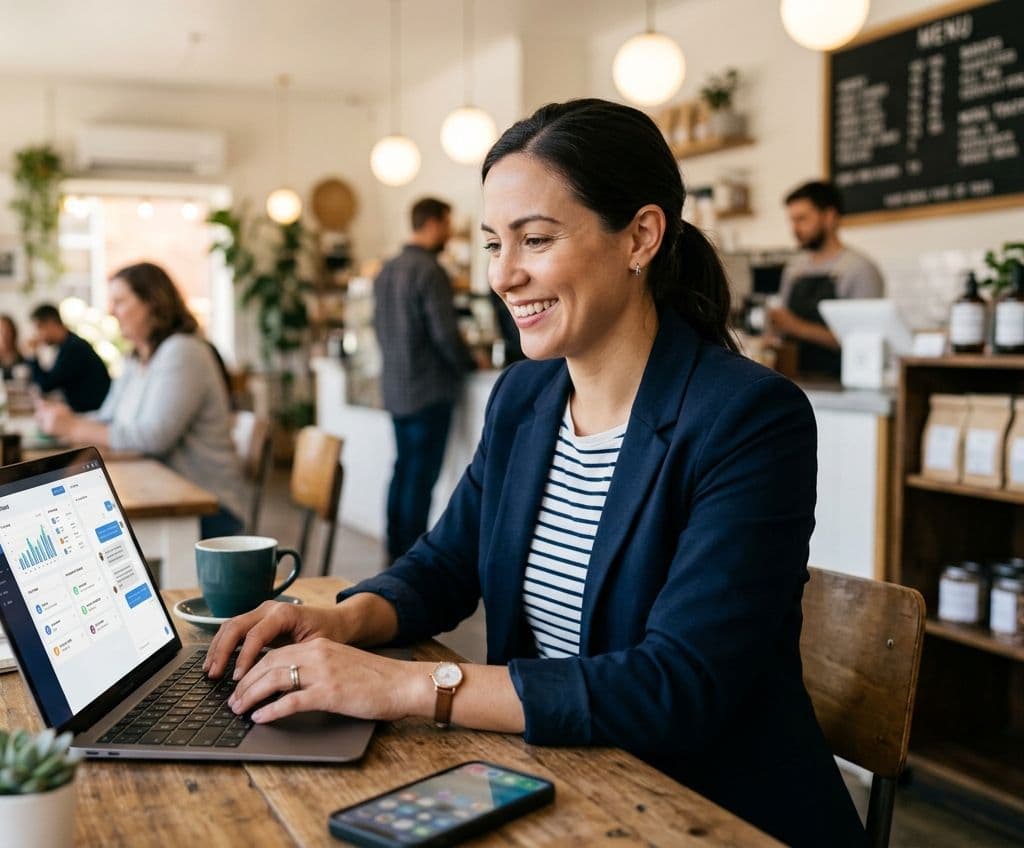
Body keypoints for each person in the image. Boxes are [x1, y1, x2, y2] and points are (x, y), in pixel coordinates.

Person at [203, 100, 866, 847]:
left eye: (536, 240)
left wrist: (408, 685)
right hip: (559, 783)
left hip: (707, 811)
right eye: (493, 244)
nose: (504, 276)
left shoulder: (749, 417)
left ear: (641, 237)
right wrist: (341, 620)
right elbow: (446, 564)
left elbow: (674, 687)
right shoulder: (525, 396)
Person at [34, 262, 247, 539]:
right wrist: (65, 417)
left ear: (152, 303)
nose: (111, 311)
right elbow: (108, 417)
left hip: (207, 508)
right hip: (163, 496)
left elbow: (153, 437)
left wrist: (72, 427)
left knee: (78, 529)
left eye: (120, 301)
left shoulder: (183, 351)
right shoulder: (137, 358)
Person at [374, 197, 477, 562]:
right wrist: (468, 361)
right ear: (433, 224)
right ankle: (409, 565)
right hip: (428, 390)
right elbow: (445, 333)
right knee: (419, 481)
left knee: (402, 474)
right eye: (447, 223)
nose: (449, 232)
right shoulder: (430, 271)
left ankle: (393, 555)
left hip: (396, 389)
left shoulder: (388, 269)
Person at [767, 180, 884, 377]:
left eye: (802, 219)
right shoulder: (794, 269)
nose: (795, 229)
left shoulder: (859, 269)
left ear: (829, 217)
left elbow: (864, 341)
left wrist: (796, 326)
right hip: (796, 382)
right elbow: (782, 330)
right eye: (792, 220)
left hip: (843, 384)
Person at [27, 303, 111, 412]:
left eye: (39, 328)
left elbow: (46, 385)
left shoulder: (73, 349)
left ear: (51, 323)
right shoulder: (69, 344)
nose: (36, 335)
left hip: (93, 415)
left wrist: (33, 356)